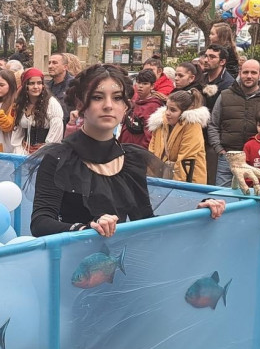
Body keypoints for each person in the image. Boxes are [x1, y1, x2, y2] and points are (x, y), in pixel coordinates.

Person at [30, 64, 225, 237]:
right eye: (97, 97)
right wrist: (84, 229)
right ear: (81, 104)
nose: (108, 105)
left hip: (121, 264)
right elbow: (41, 222)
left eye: (117, 98)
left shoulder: (131, 158)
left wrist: (198, 213)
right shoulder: (58, 157)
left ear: (125, 106)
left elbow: (145, 219)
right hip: (73, 267)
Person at [207, 58, 260, 187]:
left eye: (253, 72)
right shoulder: (225, 95)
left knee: (256, 197)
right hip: (228, 157)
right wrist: (220, 150)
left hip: (259, 159)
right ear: (240, 73)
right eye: (245, 72)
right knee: (224, 198)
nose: (249, 76)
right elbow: (213, 124)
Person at [147, 89, 210, 183]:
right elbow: (152, 153)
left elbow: (185, 159)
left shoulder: (192, 126)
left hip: (189, 181)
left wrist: (177, 187)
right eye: (167, 108)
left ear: (185, 112)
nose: (167, 113)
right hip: (162, 178)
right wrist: (151, 179)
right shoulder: (159, 123)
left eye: (173, 110)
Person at [9, 68, 64, 155]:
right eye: (31, 83)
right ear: (25, 85)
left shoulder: (51, 104)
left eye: (39, 83)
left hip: (45, 154)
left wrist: (43, 151)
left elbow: (56, 132)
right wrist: (19, 150)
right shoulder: (22, 104)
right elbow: (17, 133)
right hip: (24, 152)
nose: (36, 87)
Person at [119, 69, 165, 149]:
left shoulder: (153, 106)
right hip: (125, 147)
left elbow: (150, 136)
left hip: (138, 152)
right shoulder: (135, 101)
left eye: (145, 83)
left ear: (152, 86)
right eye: (138, 82)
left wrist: (142, 153)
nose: (140, 86)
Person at [200, 44, 236, 111]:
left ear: (222, 62)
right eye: (205, 56)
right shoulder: (200, 79)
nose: (205, 60)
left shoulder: (228, 84)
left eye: (211, 57)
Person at [46, 53, 75, 118]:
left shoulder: (74, 85)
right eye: (49, 63)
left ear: (65, 67)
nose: (50, 66)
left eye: (54, 63)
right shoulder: (47, 86)